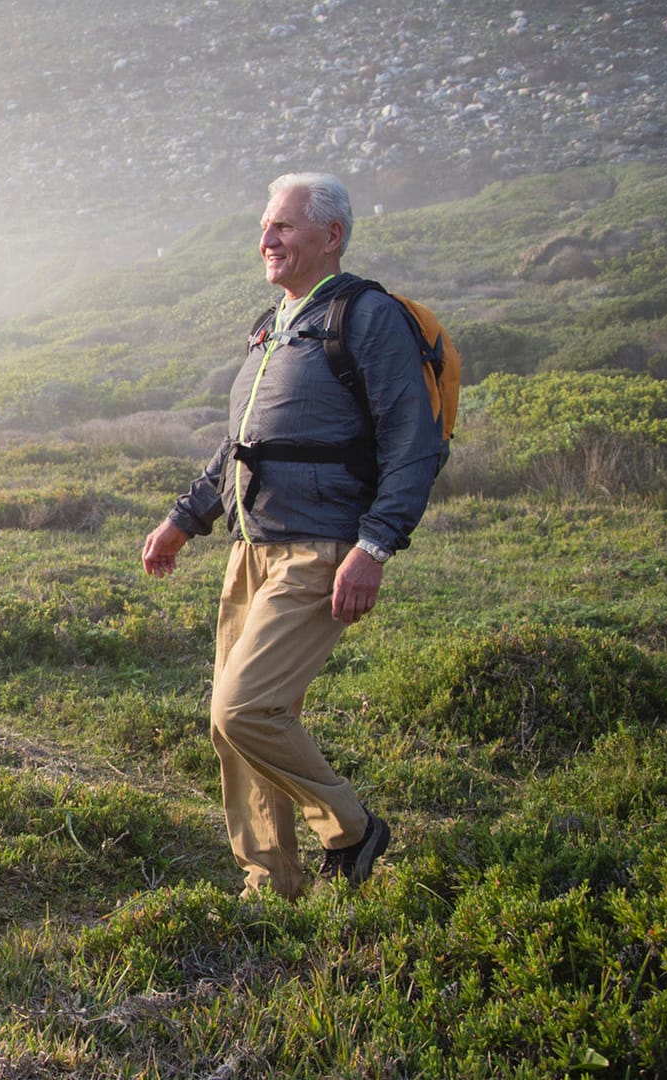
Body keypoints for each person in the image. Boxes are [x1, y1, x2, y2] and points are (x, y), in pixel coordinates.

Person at [140, 172, 443, 901]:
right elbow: (241, 443)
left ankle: (350, 826)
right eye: (265, 226)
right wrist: (184, 520)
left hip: (320, 546)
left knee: (243, 708)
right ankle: (272, 883)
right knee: (234, 728)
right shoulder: (273, 324)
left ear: (330, 235)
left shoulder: (365, 317)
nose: (266, 238)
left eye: (283, 226)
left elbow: (415, 443)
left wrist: (372, 548)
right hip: (250, 546)